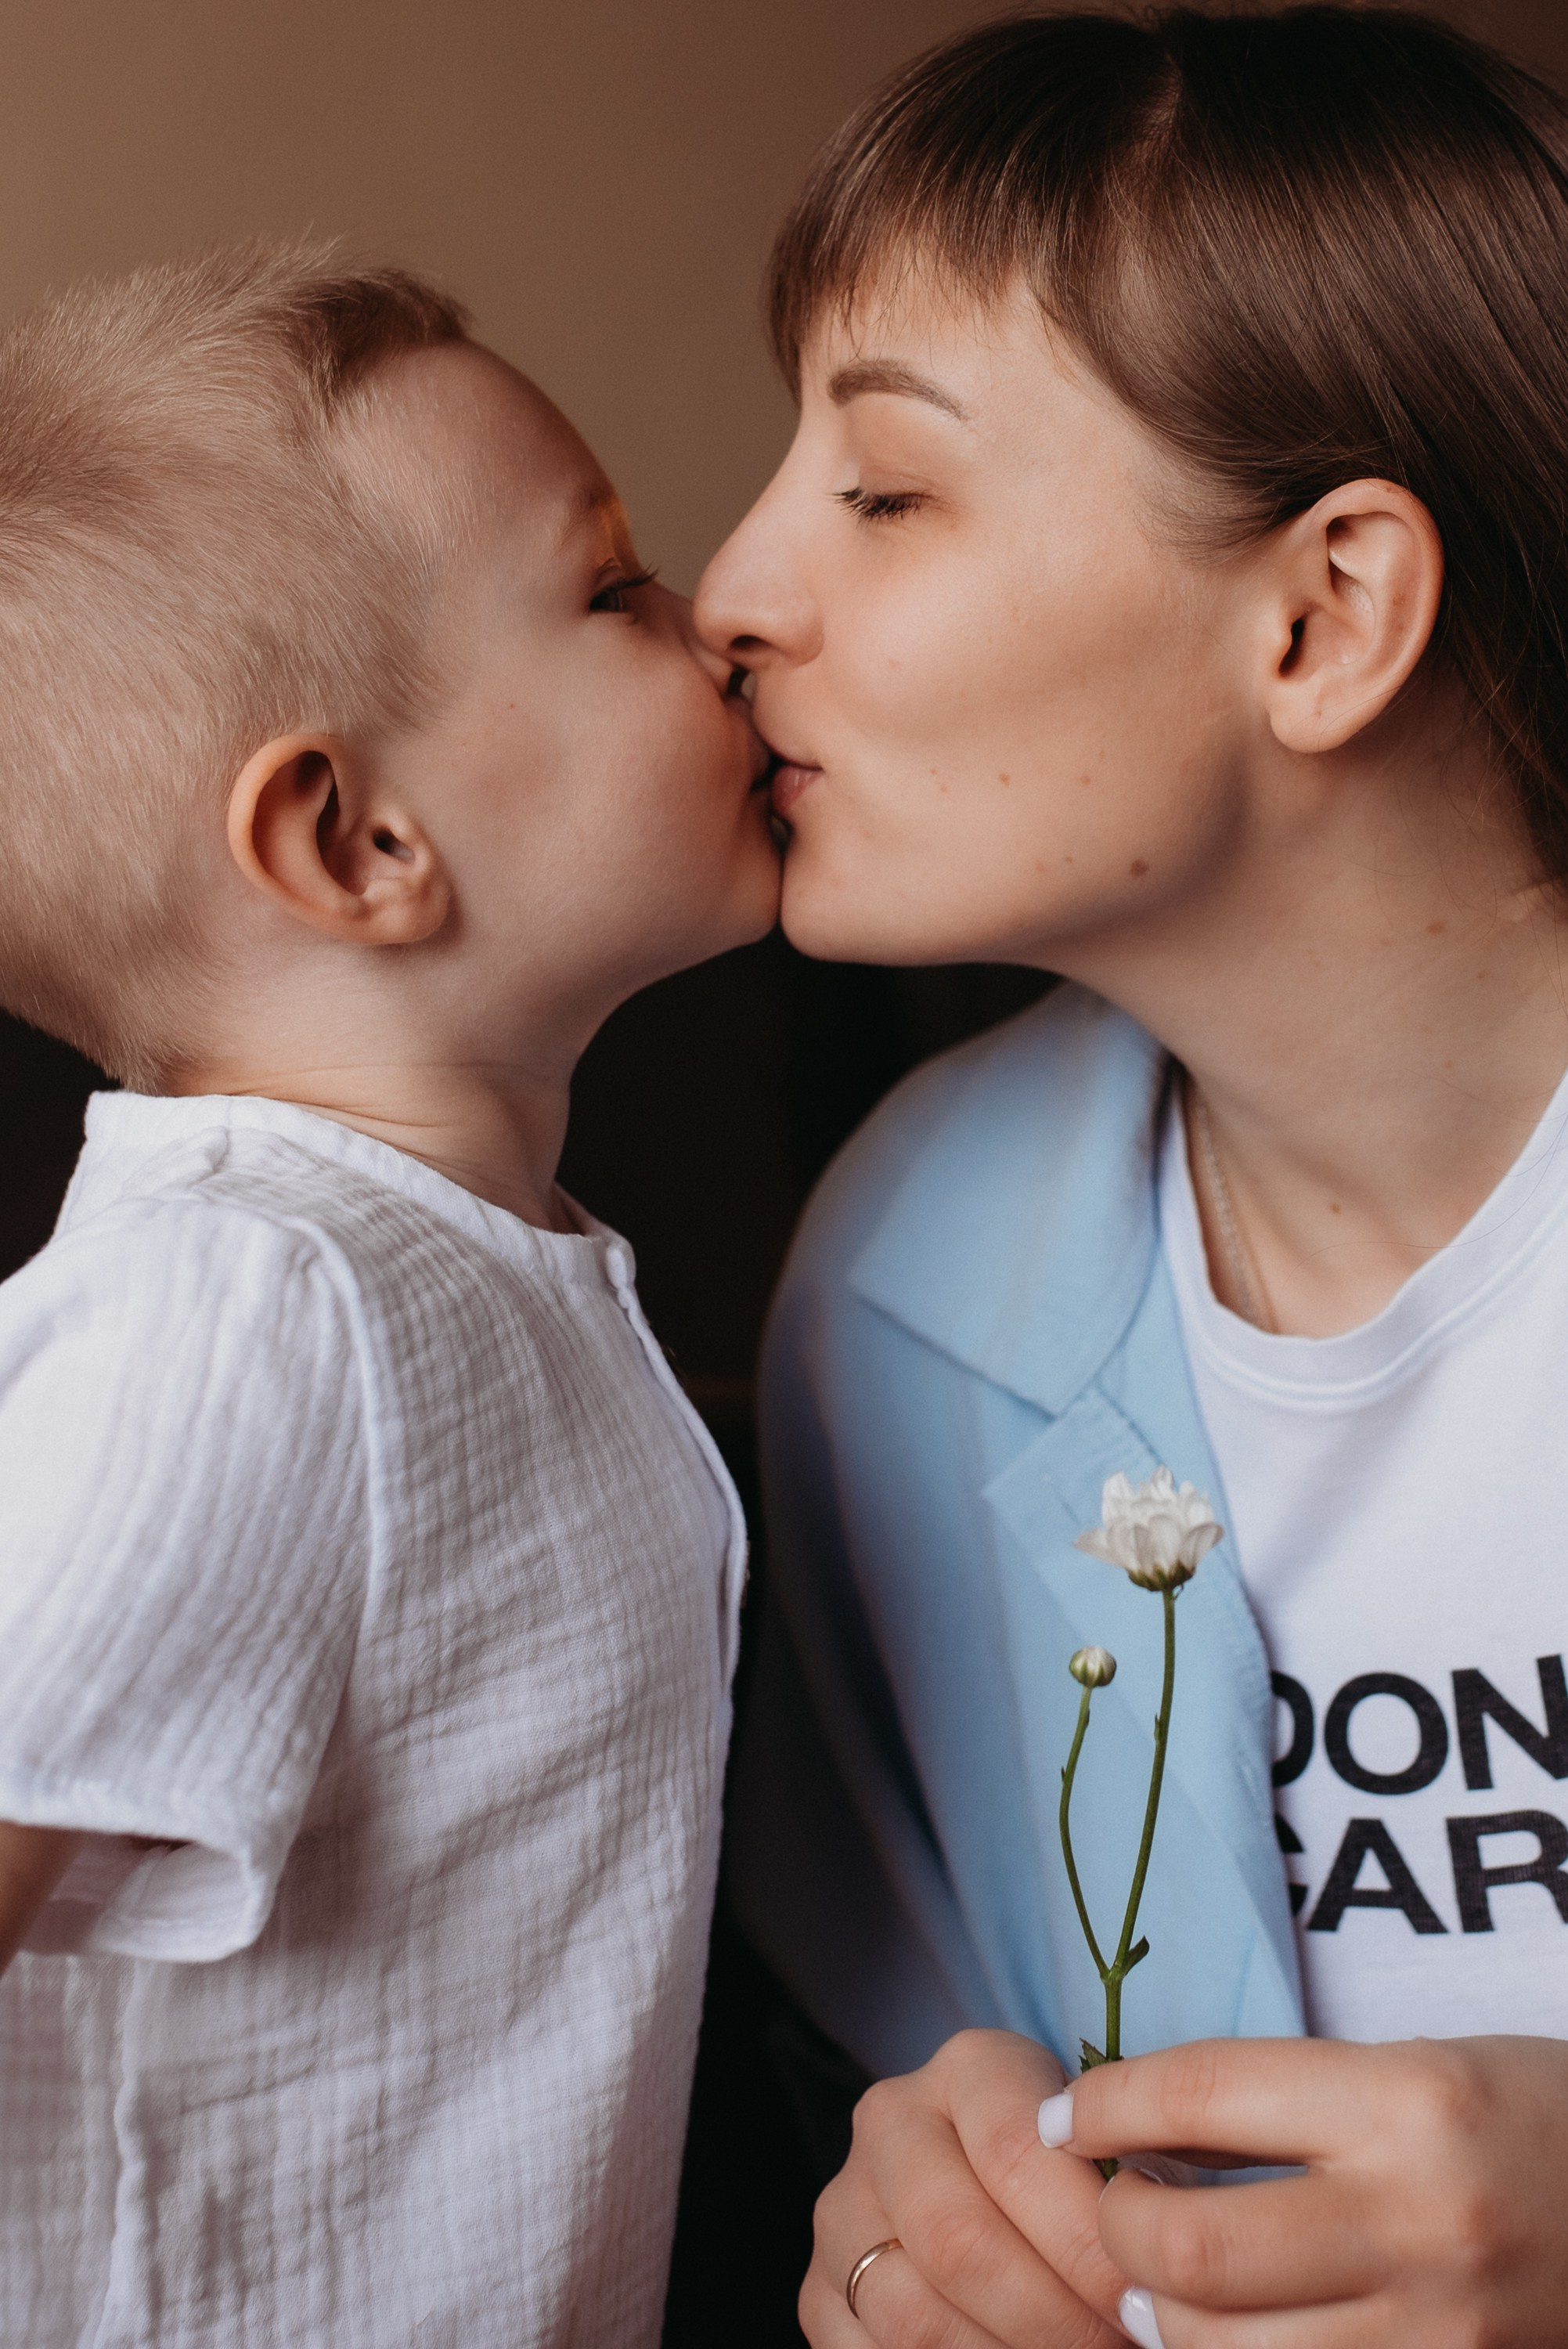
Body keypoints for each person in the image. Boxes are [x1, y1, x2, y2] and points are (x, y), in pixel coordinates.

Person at [695, 8, 1568, 2345]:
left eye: (882, 491)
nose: (732, 594)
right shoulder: (900, 1289)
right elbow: (961, 2053)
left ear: (1321, 611)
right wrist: (941, 2202)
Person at [0, 241, 778, 2347]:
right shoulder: (248, 1309)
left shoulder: (462, 1266)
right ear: (356, 842)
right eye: (615, 591)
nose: (722, 626)